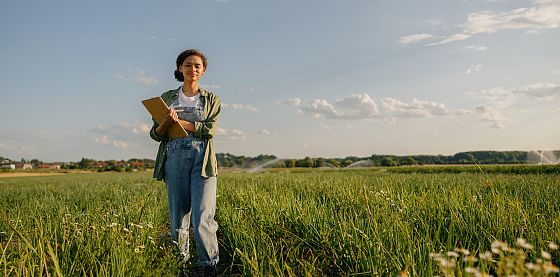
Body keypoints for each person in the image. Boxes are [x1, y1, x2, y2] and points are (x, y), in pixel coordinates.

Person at [149, 49, 221, 274]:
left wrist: (179, 121)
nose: (193, 69)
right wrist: (166, 122)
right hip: (175, 157)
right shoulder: (167, 98)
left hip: (203, 160)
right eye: (188, 65)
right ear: (180, 68)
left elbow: (210, 130)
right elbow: (156, 134)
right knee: (178, 215)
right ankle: (181, 264)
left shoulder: (211, 99)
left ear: (203, 70)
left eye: (197, 66)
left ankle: (208, 265)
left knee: (203, 215)